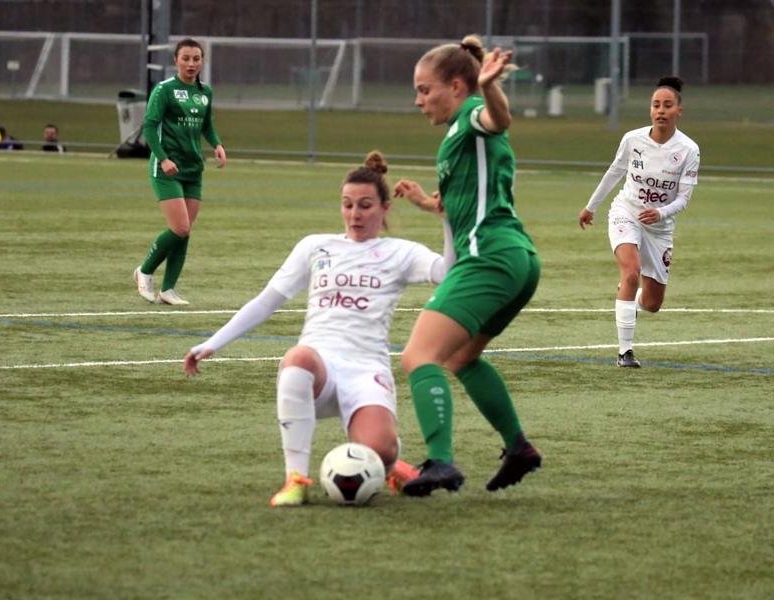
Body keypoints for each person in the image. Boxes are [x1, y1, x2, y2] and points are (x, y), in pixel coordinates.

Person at [184, 151, 456, 506]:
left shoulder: (400, 252)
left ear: (385, 208)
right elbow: (268, 300)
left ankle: (389, 462)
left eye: (365, 206)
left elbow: (448, 274)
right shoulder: (316, 246)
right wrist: (213, 343)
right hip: (320, 368)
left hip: (366, 370)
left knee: (378, 449)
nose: (354, 214)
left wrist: (445, 217)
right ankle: (295, 480)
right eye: (347, 205)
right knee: (297, 358)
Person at [393, 34, 542, 497]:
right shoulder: (459, 135)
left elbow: (498, 119)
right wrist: (427, 203)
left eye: (424, 89)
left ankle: (440, 462)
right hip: (517, 258)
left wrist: (490, 86)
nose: (418, 100)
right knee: (461, 357)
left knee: (419, 356)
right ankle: (518, 447)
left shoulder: (470, 118)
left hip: (488, 259)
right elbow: (470, 202)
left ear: (458, 86)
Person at [578, 77, 700, 369]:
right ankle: (625, 352)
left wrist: (660, 213)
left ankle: (629, 298)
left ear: (678, 111)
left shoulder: (688, 150)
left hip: (660, 226)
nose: (660, 110)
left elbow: (683, 199)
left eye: (667, 105)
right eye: (656, 105)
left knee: (654, 303)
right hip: (626, 212)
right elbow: (614, 172)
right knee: (630, 274)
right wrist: (590, 207)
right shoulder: (633, 140)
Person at [134, 38, 227, 306]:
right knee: (180, 227)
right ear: (176, 60)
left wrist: (217, 144)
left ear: (202, 61)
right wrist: (162, 159)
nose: (191, 63)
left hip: (193, 169)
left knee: (185, 231)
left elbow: (206, 125)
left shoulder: (205, 91)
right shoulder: (164, 90)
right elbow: (150, 127)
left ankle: (168, 289)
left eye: (196, 58)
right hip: (166, 169)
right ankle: (145, 270)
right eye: (186, 58)